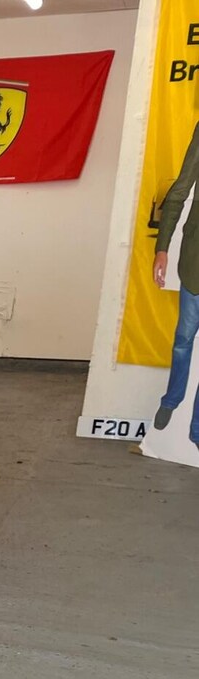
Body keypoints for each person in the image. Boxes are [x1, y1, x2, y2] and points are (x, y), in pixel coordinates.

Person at [152, 120, 199, 448]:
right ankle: (172, 400)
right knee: (183, 339)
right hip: (197, 264)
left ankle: (197, 429)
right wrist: (163, 247)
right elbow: (181, 188)